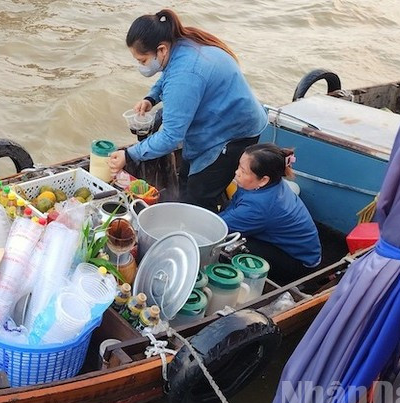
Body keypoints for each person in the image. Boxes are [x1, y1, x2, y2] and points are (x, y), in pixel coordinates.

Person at [108, 8, 268, 212]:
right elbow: (168, 74)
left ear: (162, 50)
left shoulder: (185, 73)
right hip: (224, 116)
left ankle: (205, 233)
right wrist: (151, 97)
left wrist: (129, 155)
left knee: (198, 198)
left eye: (143, 61)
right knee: (186, 179)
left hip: (234, 134)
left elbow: (171, 136)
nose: (142, 66)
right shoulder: (182, 45)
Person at [219, 143, 321, 284]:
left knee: (233, 248)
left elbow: (218, 228)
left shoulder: (259, 207)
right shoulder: (269, 183)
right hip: (291, 245)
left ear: (263, 180)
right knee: (226, 208)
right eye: (239, 167)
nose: (237, 172)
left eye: (243, 171)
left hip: (298, 263)